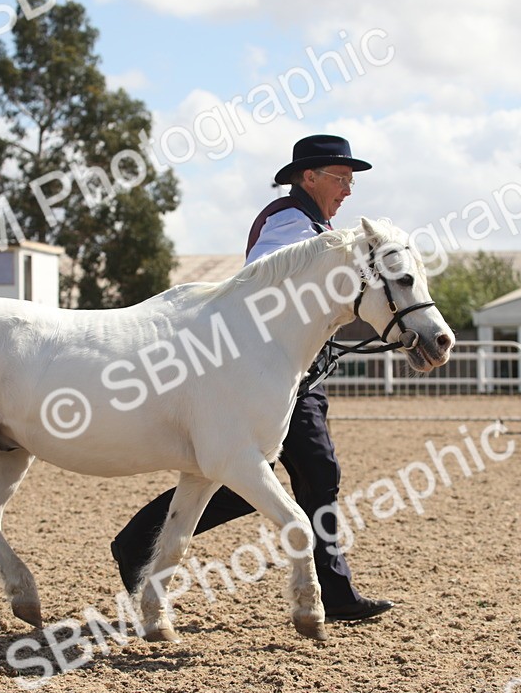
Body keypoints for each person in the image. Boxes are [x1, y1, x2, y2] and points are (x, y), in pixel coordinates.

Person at [110, 134, 394, 623]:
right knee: (300, 472)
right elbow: (268, 280)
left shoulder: (315, 223)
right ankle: (139, 543)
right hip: (269, 375)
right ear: (310, 177)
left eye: (350, 181)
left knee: (282, 473)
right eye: (341, 178)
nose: (348, 190)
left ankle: (138, 543)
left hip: (290, 372)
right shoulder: (289, 222)